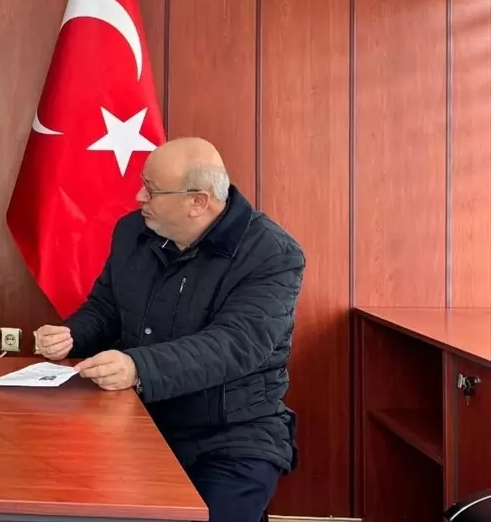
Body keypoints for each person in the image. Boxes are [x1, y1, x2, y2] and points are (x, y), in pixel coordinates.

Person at [35, 137, 303, 522]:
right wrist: (72, 335)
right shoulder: (133, 231)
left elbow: (235, 344)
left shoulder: (272, 253)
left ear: (198, 202)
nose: (139, 196)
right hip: (137, 421)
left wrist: (138, 368)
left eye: (152, 190)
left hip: (232, 434)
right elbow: (106, 308)